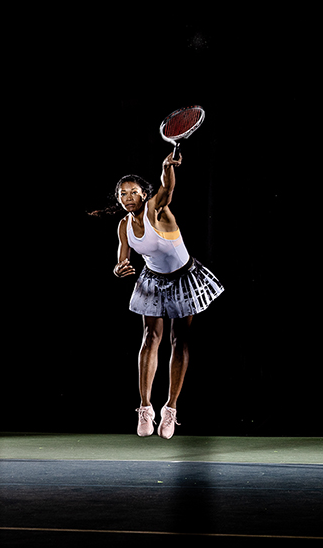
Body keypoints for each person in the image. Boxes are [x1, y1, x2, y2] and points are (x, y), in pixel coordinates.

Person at [94, 153, 223, 439]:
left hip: (183, 278)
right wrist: (118, 269)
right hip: (152, 280)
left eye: (133, 192)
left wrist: (167, 168)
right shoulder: (123, 226)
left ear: (143, 194)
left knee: (179, 340)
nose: (127, 197)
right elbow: (122, 258)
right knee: (150, 338)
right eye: (122, 193)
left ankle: (171, 409)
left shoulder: (157, 209)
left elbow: (167, 189)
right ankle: (145, 408)